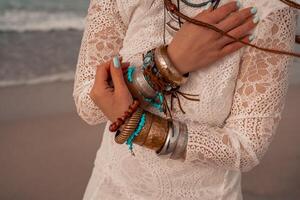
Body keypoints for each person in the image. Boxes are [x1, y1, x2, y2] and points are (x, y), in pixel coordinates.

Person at [73, 0, 297, 199]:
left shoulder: (270, 9)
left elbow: (247, 148)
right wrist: (170, 63)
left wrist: (141, 129)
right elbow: (88, 106)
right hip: (112, 189)